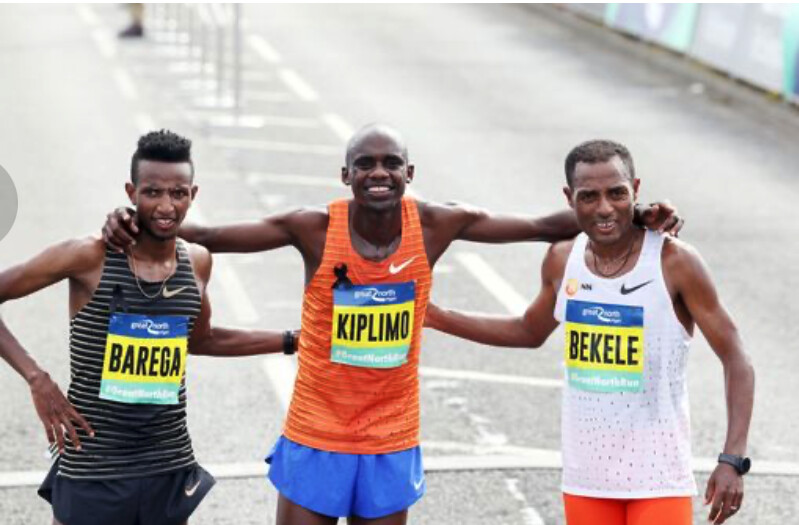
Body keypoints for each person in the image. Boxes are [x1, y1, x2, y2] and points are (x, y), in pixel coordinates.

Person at [102, 124, 682, 525]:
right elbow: (211, 235)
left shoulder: (435, 224)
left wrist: (634, 215)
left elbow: (540, 225)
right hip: (316, 431)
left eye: (389, 164)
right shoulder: (312, 228)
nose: (378, 173)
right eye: (365, 164)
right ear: (345, 174)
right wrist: (131, 220)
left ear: (409, 172)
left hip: (391, 435)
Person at [425, 140, 755, 525]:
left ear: (635, 189)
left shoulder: (674, 261)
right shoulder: (562, 259)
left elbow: (736, 357)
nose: (604, 208)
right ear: (569, 198)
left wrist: (732, 459)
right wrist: (434, 316)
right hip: (586, 480)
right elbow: (528, 330)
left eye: (617, 193)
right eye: (589, 196)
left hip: (658, 479)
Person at [0, 130, 296, 525]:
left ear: (193, 194)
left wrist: (291, 340)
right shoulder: (89, 256)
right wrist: (37, 379)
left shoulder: (197, 262)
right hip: (95, 463)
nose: (166, 205)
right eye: (153, 192)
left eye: (178, 193)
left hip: (166, 461)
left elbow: (202, 339)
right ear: (131, 192)